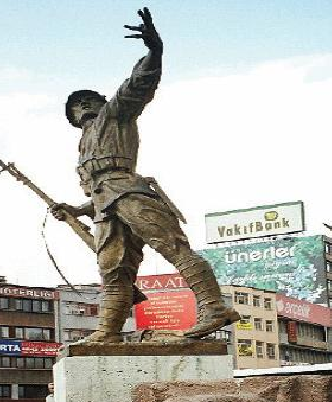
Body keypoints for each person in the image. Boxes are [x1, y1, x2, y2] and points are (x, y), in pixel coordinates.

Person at [52, 7, 239, 343]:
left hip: (130, 192)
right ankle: (108, 332)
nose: (80, 106)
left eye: (86, 100)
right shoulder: (83, 146)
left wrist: (154, 51)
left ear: (100, 101)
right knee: (114, 271)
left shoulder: (114, 115)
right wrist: (75, 210)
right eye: (74, 106)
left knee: (172, 246)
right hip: (107, 205)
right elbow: (97, 193)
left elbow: (137, 85)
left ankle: (214, 308)